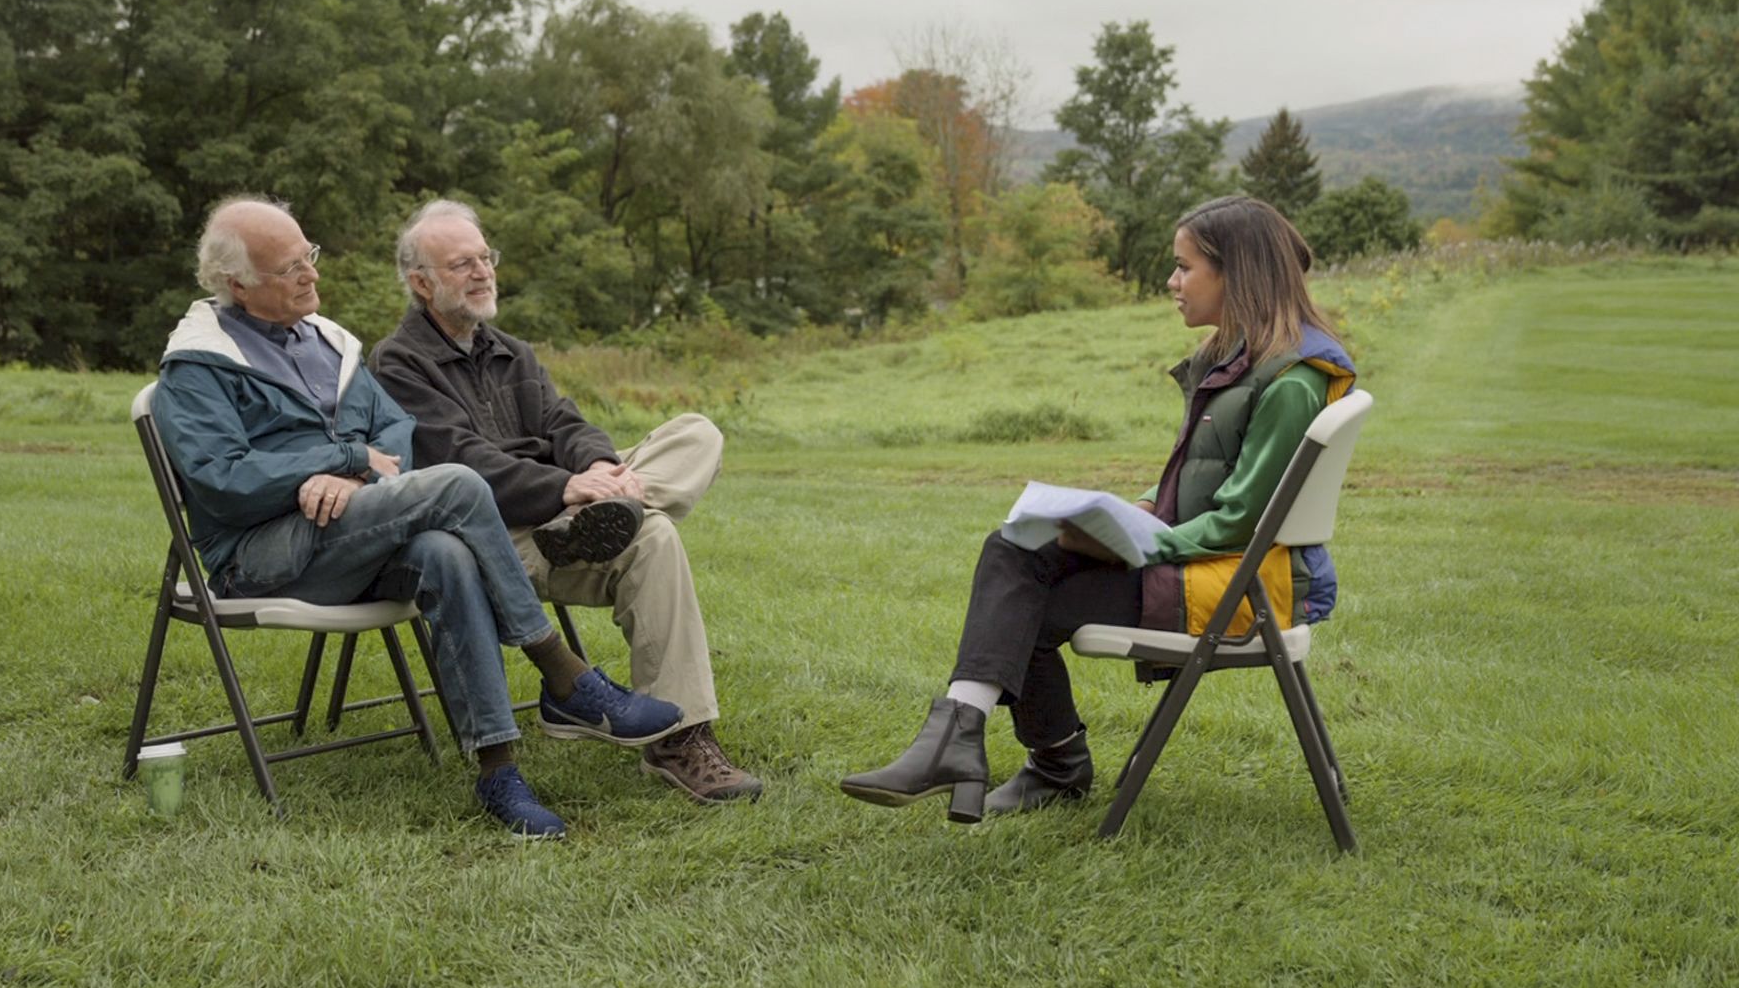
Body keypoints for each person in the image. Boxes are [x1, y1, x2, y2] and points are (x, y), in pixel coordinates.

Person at [151, 196, 683, 839]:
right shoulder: (197, 365)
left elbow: (394, 430)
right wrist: (341, 457)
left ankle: (498, 770)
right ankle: (561, 671)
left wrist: (355, 471)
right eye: (290, 267)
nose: (311, 275)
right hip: (261, 555)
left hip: (350, 539)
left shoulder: (329, 344)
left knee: (445, 552)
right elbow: (223, 480)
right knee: (456, 484)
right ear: (239, 285)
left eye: (308, 257)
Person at [839, 195, 1357, 823]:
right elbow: (1214, 489)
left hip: (1240, 589)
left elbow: (1244, 522)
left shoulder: (1291, 380)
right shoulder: (1242, 359)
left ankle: (1041, 762)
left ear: (1237, 273)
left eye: (1184, 267)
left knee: (1017, 606)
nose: (1171, 281)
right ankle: (963, 736)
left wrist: (1137, 542)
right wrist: (1135, 511)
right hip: (1210, 565)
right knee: (1013, 547)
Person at [370, 200, 763, 805]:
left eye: (485, 258)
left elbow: (564, 423)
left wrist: (599, 466)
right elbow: (459, 461)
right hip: (497, 538)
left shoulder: (511, 352)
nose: (481, 272)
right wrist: (562, 489)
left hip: (568, 513)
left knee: (695, 435)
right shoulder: (398, 363)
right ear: (421, 283)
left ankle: (677, 738)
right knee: (653, 533)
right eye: (461, 264)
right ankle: (679, 731)